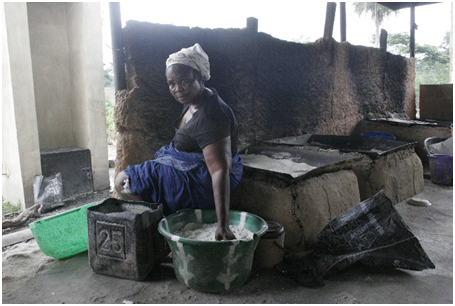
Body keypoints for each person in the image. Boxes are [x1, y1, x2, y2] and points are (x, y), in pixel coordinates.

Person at [114, 43, 243, 241]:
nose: (177, 89)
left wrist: (222, 225)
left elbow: (219, 170)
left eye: (184, 81)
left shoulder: (211, 116)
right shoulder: (194, 100)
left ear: (199, 77)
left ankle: (164, 224)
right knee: (131, 181)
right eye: (171, 83)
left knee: (123, 182)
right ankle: (164, 219)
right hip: (190, 162)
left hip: (203, 178)